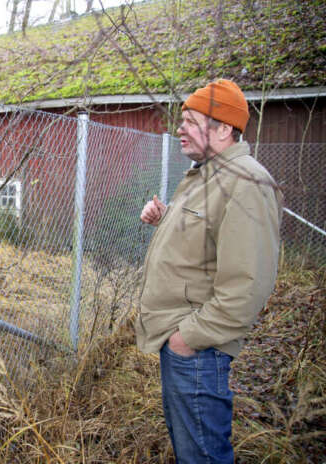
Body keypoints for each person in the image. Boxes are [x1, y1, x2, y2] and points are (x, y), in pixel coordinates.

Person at [136, 79, 283, 463]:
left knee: (202, 456)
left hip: (199, 350)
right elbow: (212, 237)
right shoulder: (207, 174)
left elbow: (248, 284)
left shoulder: (246, 182)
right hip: (184, 343)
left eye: (191, 121)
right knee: (191, 452)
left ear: (222, 129)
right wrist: (166, 218)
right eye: (181, 120)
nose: (179, 128)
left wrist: (187, 338)